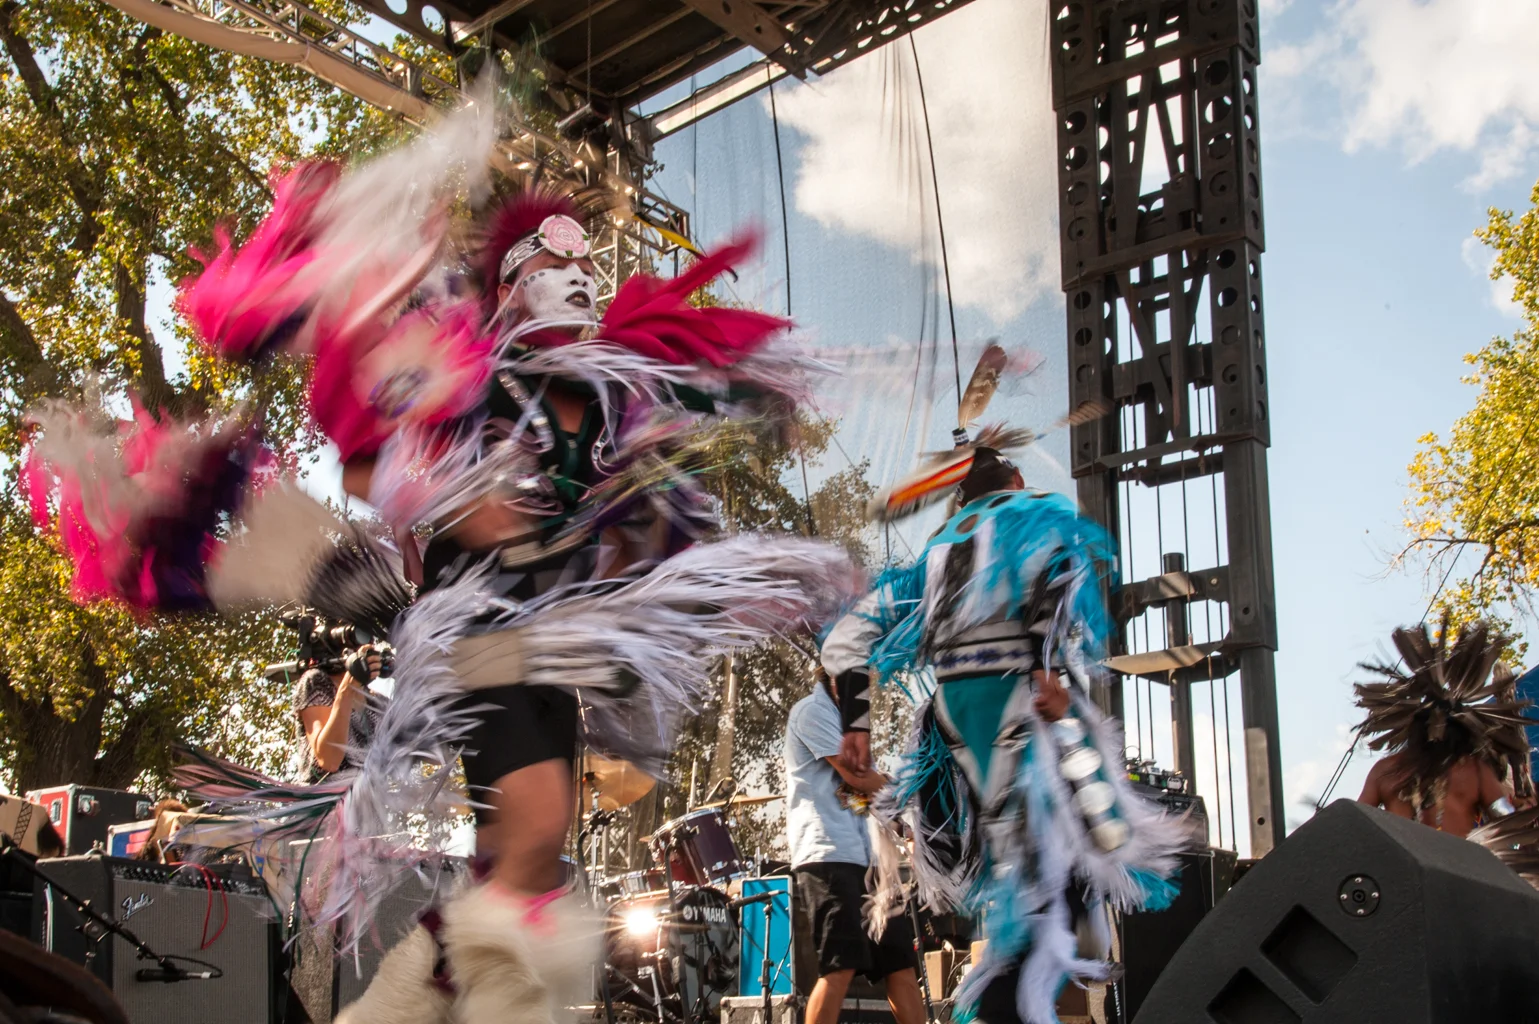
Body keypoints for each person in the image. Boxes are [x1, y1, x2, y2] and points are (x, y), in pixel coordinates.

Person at [819, 428, 1188, 1024]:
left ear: (960, 499)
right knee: (1068, 895)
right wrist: (1045, 660)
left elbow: (844, 641)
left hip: (953, 738)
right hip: (1029, 723)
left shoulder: (933, 556)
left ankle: (1029, 999)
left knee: (1034, 903)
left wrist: (855, 723)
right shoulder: (1033, 516)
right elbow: (1062, 575)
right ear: (1015, 482)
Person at [785, 668, 925, 1024]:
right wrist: (916, 788)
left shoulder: (850, 728)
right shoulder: (811, 711)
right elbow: (857, 777)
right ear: (835, 680)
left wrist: (904, 828)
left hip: (869, 863)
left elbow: (857, 793)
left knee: (901, 967)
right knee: (840, 967)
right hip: (828, 856)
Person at [1354, 618, 1533, 837]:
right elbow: (1505, 820)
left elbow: (1354, 823)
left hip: (1407, 865)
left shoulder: (1385, 771)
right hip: (1451, 866)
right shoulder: (1474, 771)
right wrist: (1520, 807)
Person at [293, 645, 384, 780]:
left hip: (374, 798)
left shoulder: (377, 702)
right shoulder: (316, 681)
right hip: (328, 797)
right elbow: (329, 760)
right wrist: (346, 691)